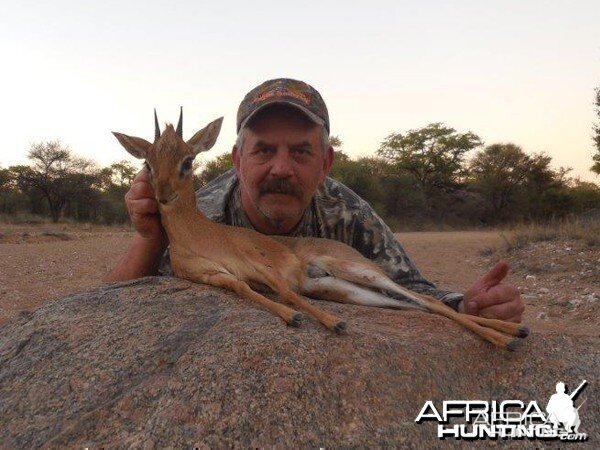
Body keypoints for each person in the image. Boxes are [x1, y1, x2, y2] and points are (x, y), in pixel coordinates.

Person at [105, 78, 525, 322]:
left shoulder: (346, 211)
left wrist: (466, 306)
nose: (282, 169)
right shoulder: (198, 210)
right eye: (264, 150)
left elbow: (408, 287)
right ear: (236, 159)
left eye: (301, 152)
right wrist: (149, 237)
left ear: (325, 163)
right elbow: (112, 306)